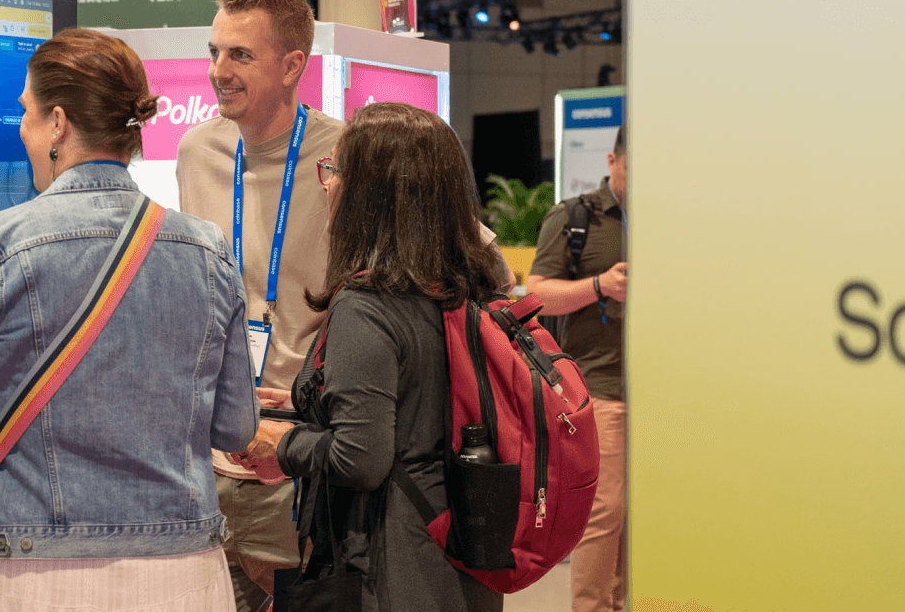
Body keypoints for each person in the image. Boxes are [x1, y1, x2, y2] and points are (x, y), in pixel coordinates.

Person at [0, 27, 257, 612]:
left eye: (26, 113)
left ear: (58, 123)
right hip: (186, 575)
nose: (21, 129)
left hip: (35, 575)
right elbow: (234, 428)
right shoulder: (207, 249)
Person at [239, 102, 504, 611]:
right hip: (460, 553)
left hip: (389, 568)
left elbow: (361, 460)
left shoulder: (368, 306)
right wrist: (319, 407)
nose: (326, 183)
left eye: (335, 169)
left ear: (371, 192)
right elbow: (419, 409)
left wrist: (284, 444)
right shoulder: (470, 289)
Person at [175, 0, 344, 609]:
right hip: (207, 459)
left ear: (292, 65)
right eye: (215, 52)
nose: (219, 70)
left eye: (240, 54)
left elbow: (478, 262)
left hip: (301, 462)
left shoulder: (347, 155)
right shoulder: (198, 153)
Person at [525, 124, 628, 612]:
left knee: (642, 517)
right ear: (612, 161)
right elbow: (536, 293)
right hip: (600, 384)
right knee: (605, 511)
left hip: (665, 391)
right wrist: (600, 285)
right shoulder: (574, 217)